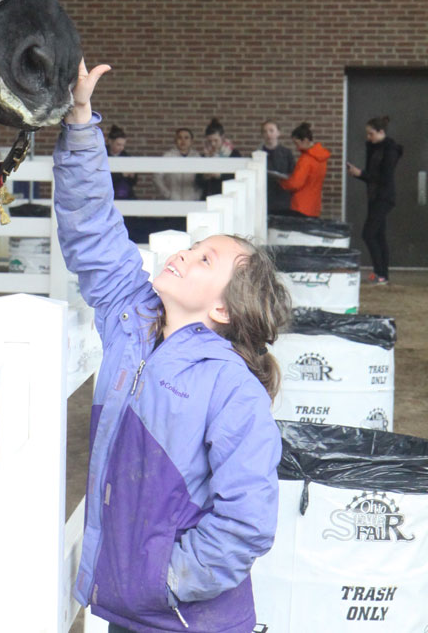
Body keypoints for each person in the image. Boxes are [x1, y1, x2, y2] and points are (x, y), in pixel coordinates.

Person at [55, 60, 290, 633]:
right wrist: (81, 125)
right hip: (134, 615)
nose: (184, 253)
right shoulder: (130, 323)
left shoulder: (233, 388)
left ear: (223, 309)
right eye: (194, 246)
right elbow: (92, 231)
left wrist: (163, 580)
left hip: (189, 620)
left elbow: (247, 521)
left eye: (205, 258)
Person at [347, 116, 403, 285]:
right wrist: (360, 174)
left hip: (383, 197)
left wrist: (361, 174)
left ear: (381, 132)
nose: (368, 137)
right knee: (378, 235)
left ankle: (381, 273)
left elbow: (383, 178)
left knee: (369, 234)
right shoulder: (373, 148)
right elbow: (373, 177)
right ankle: (382, 273)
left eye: (371, 134)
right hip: (375, 196)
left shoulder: (390, 150)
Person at [279, 122, 330, 217]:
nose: (296, 147)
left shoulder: (306, 159)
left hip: (300, 205)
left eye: (297, 143)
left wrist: (282, 182)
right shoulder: (322, 158)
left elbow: (295, 183)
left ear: (305, 140)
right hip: (314, 206)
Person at [195, 117, 241, 199]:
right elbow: (197, 181)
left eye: (216, 140)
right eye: (209, 141)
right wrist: (205, 176)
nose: (213, 144)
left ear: (222, 138)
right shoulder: (204, 156)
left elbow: (238, 177)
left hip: (228, 197)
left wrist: (220, 176)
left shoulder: (233, 154)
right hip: (208, 196)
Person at [260, 119, 295, 215]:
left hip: (282, 198)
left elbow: (293, 173)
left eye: (271, 131)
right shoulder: (257, 155)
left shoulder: (286, 153)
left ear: (278, 133)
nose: (268, 134)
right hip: (264, 198)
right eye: (265, 131)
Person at [154, 127, 199, 201]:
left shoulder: (197, 157)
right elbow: (157, 177)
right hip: (173, 200)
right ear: (175, 140)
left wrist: (197, 195)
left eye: (186, 138)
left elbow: (202, 179)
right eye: (180, 138)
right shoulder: (168, 156)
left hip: (191, 200)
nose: (183, 141)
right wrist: (167, 194)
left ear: (191, 141)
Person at [106, 124, 137, 200]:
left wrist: (132, 175)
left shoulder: (126, 157)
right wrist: (121, 174)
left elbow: (133, 182)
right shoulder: (102, 155)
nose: (121, 148)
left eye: (123, 145)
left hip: (124, 193)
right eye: (118, 144)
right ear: (110, 141)